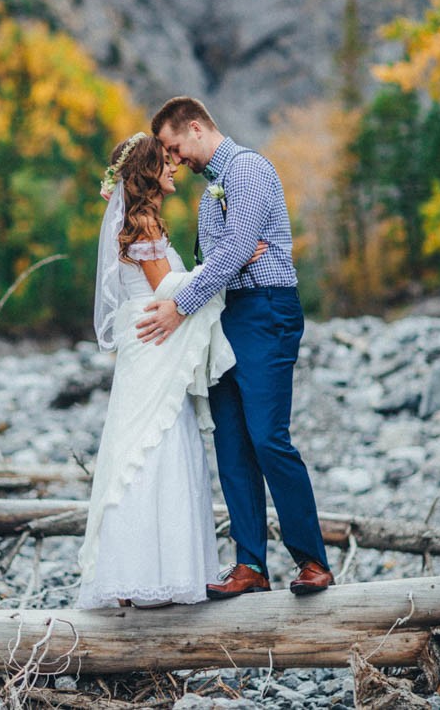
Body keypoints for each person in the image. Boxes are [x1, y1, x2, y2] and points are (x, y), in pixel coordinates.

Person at [137, 97, 334, 597]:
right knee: (231, 443)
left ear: (197, 128)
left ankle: (312, 560)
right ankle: (250, 566)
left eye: (174, 146)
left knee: (269, 437)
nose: (174, 158)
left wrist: (182, 303)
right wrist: (232, 259)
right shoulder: (210, 194)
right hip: (225, 317)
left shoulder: (247, 170)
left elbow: (238, 246)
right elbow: (225, 255)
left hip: (265, 310)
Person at [76, 133, 264, 609]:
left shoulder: (142, 221)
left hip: (151, 344)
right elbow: (169, 290)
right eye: (166, 162)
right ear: (148, 172)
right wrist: (235, 258)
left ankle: (142, 573)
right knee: (157, 447)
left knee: (144, 446)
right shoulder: (143, 224)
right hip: (155, 341)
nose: (175, 167)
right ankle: (154, 574)